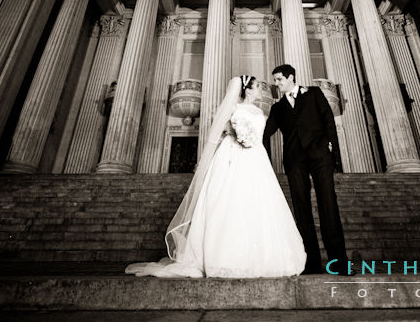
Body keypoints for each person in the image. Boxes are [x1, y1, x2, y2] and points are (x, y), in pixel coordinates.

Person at [125, 75, 307, 278]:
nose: (260, 91)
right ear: (247, 90)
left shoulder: (260, 111)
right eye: (257, 88)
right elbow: (219, 131)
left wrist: (249, 138)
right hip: (234, 156)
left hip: (257, 158)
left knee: (258, 201)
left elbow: (261, 134)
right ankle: (223, 258)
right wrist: (236, 135)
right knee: (229, 201)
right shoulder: (234, 109)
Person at [263, 64, 354, 276]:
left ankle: (339, 263)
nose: (276, 84)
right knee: (302, 211)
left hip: (320, 157)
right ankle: (311, 263)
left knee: (328, 206)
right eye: (275, 80)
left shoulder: (313, 93)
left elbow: (328, 120)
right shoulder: (277, 108)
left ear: (291, 77)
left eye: (279, 80)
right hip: (295, 162)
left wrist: (332, 152)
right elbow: (266, 132)